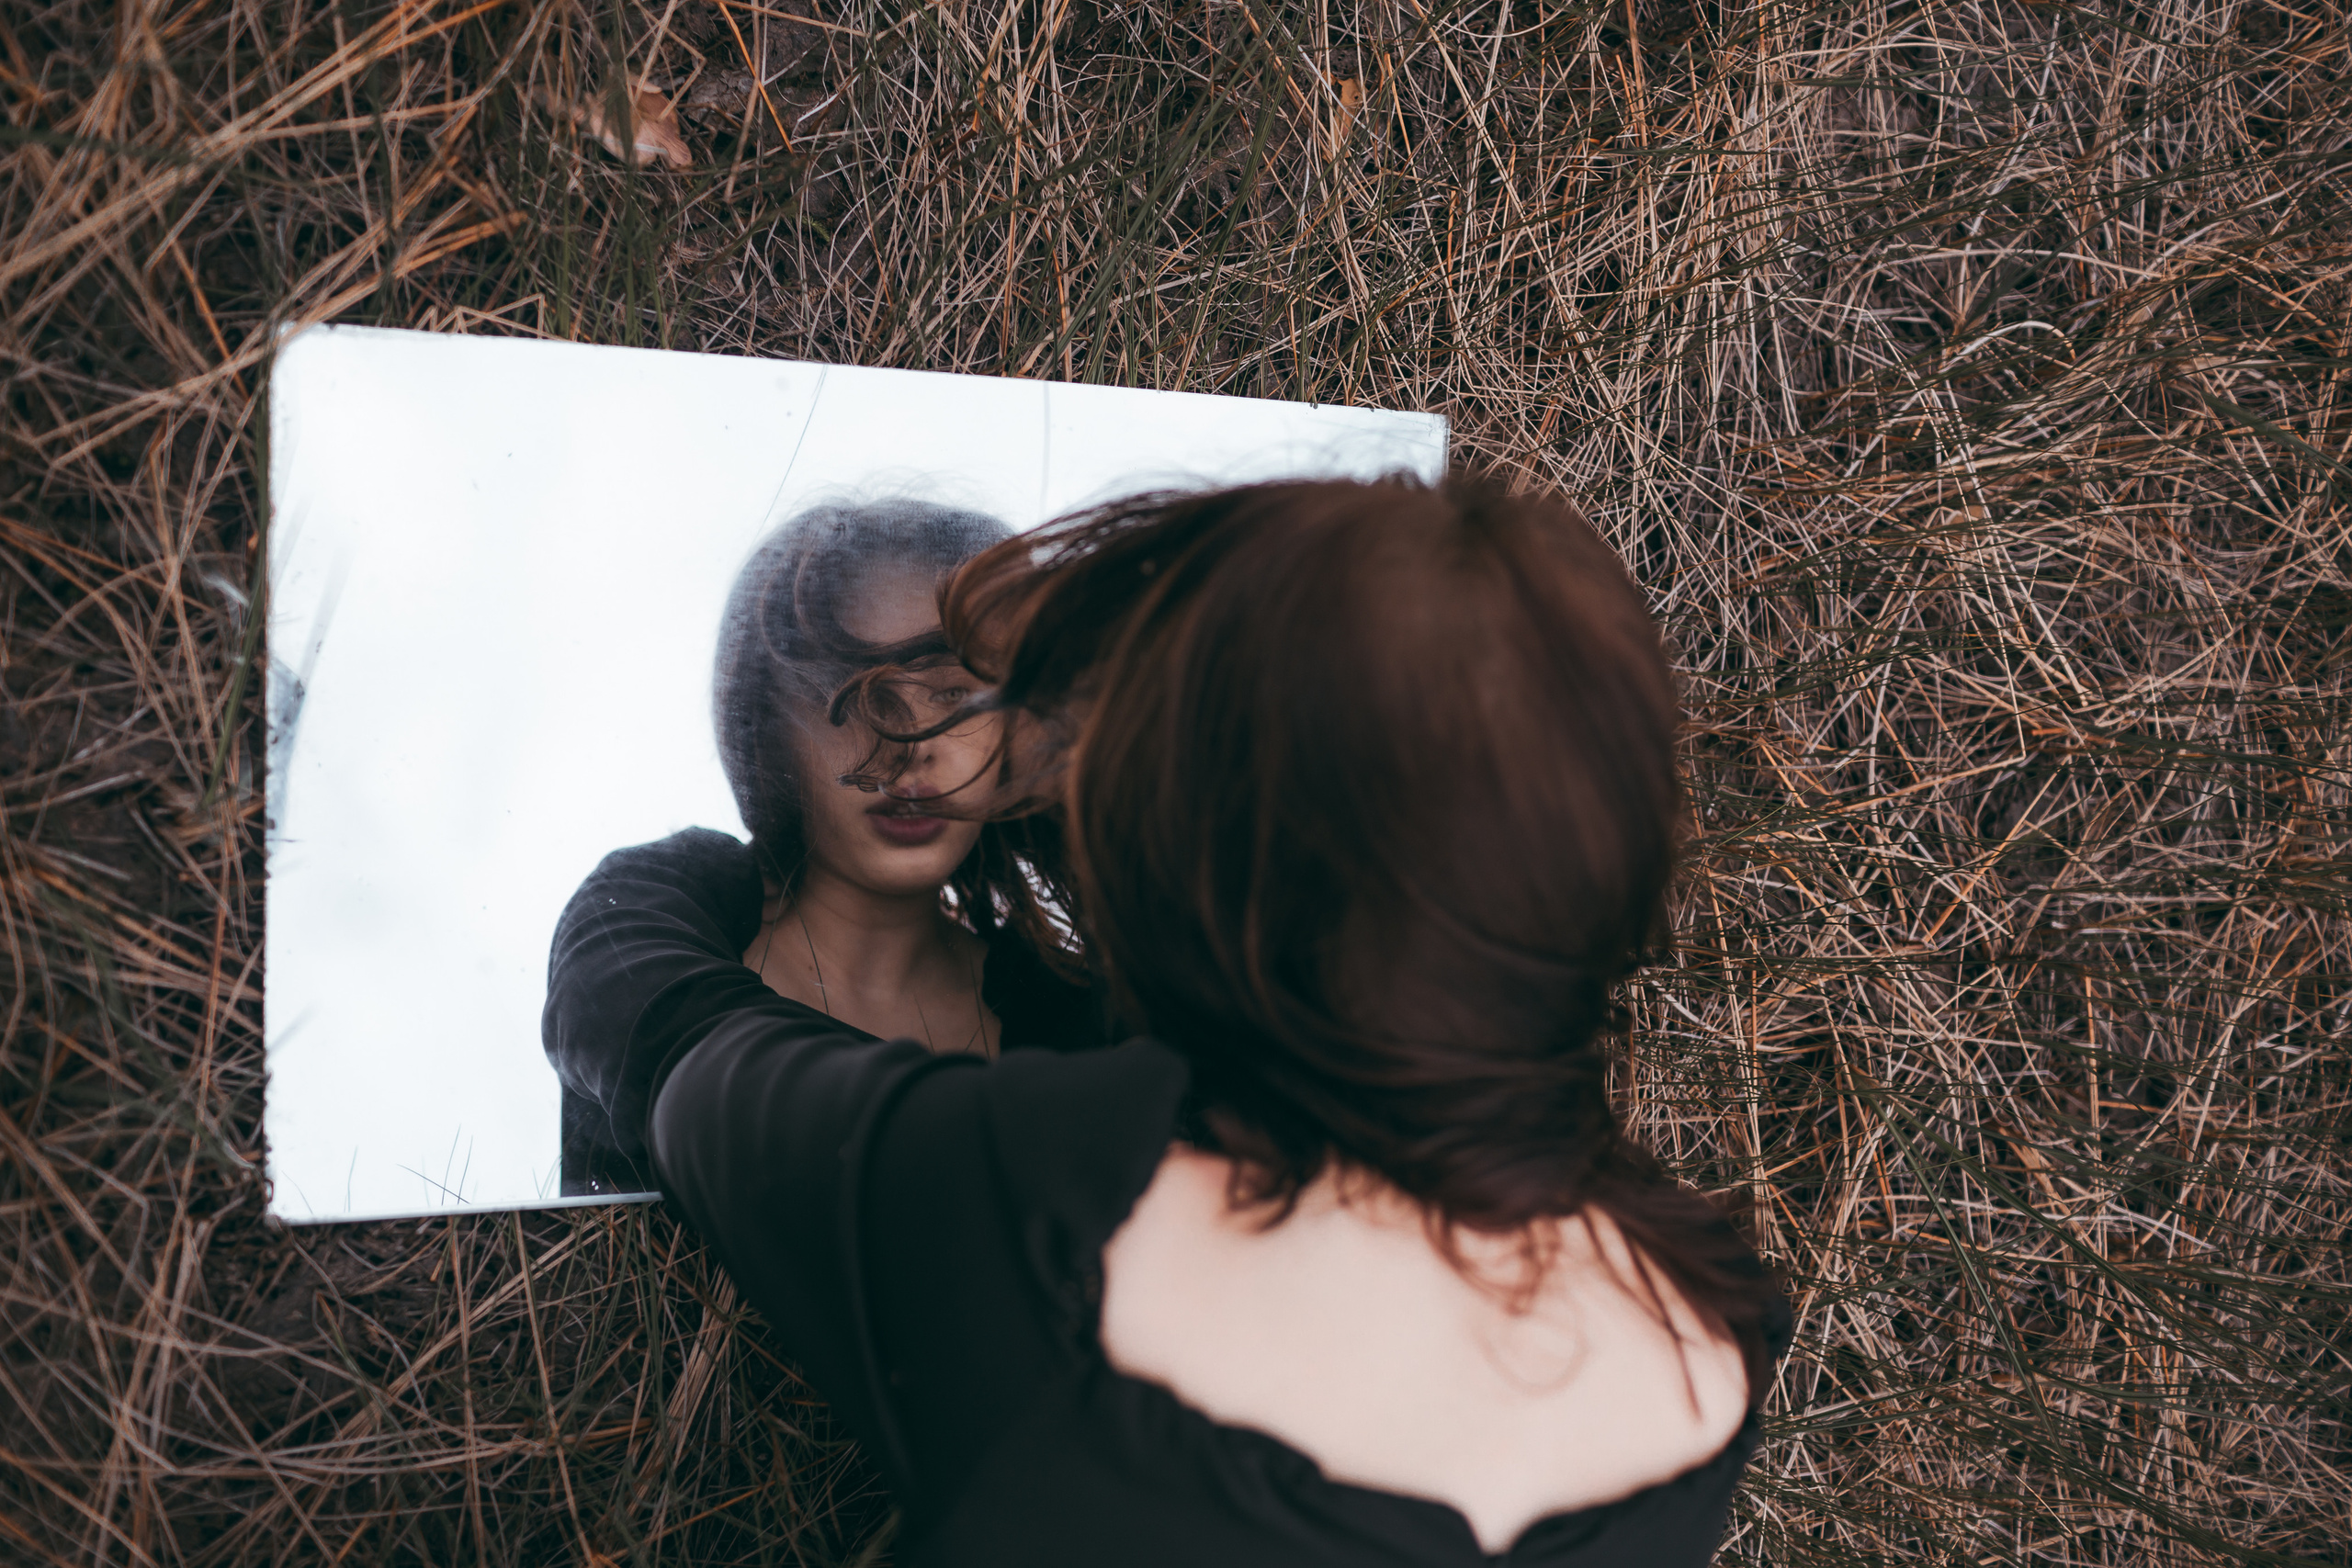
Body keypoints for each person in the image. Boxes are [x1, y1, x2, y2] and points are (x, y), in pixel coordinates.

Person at [545, 475, 1790, 1563]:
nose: (916, 728)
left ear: (1190, 861)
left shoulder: (1036, 1206)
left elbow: (663, 1033)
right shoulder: (1710, 1326)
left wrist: (681, 879)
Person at [548, 499, 1102, 1196]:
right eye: (849, 695)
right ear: (772, 727)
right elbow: (690, 1078)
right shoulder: (660, 909)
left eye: (955, 693)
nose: (910, 750)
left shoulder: (1068, 1010)